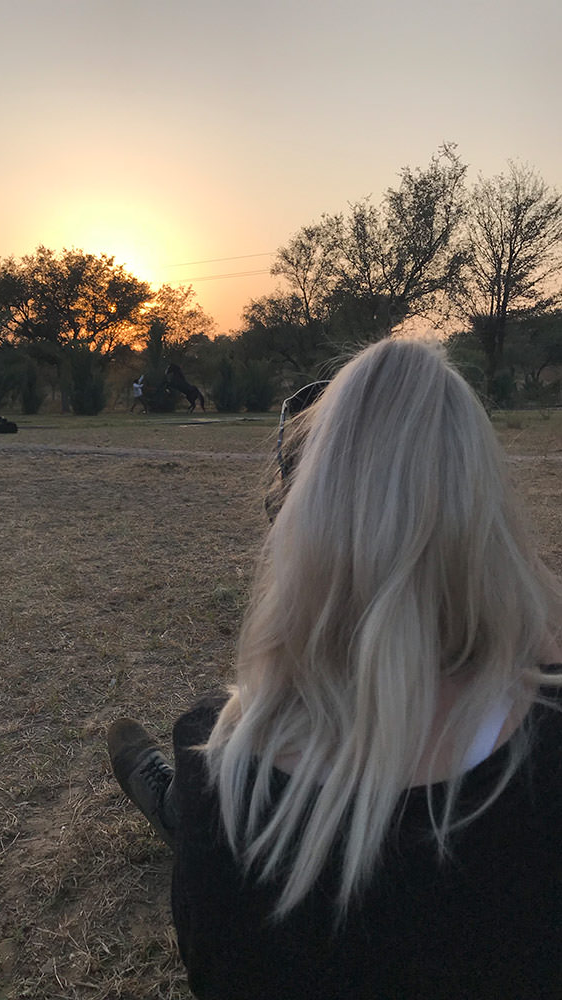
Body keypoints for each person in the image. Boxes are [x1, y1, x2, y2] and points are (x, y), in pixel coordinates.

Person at [108, 337, 562, 1000]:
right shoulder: (542, 756)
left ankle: (175, 804)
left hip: (236, 811)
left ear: (302, 521)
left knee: (220, 764)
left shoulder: (225, 760)